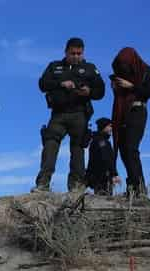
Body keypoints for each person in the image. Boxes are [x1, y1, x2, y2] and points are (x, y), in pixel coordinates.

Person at [33, 37, 105, 193]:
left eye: (79, 53)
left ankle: (76, 187)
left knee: (78, 150)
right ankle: (43, 184)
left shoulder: (90, 68)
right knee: (50, 145)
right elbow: (42, 84)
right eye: (73, 53)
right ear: (66, 52)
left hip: (79, 113)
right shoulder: (55, 66)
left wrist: (89, 91)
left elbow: (101, 91)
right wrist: (61, 84)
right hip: (58, 114)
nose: (76, 56)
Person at [111, 47, 150, 198]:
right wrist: (116, 87)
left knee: (131, 148)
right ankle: (132, 188)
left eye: (126, 64)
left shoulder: (146, 71)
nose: (124, 68)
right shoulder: (122, 73)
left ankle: (140, 189)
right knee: (124, 150)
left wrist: (131, 86)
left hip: (137, 111)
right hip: (122, 112)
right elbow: (120, 96)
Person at [86, 118, 120, 195]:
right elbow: (106, 159)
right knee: (104, 197)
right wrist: (114, 174)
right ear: (104, 127)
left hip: (98, 177)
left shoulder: (97, 140)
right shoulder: (102, 141)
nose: (111, 128)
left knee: (100, 196)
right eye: (110, 126)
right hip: (102, 178)